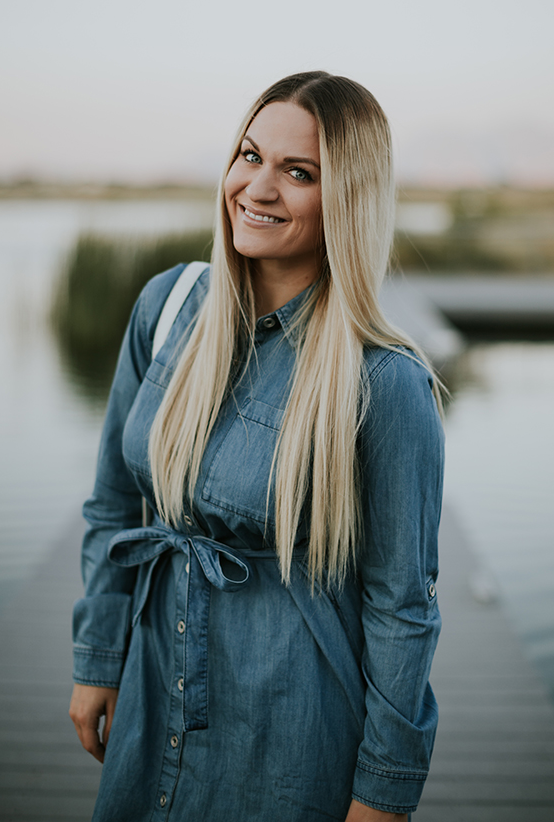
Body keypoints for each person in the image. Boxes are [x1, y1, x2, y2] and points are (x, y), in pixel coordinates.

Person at [69, 71, 444, 822]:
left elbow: (401, 606)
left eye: (298, 172)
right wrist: (98, 655)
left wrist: (383, 793)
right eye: (250, 155)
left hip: (290, 730)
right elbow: (114, 499)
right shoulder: (168, 306)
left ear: (348, 199)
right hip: (151, 693)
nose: (257, 187)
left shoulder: (385, 383)